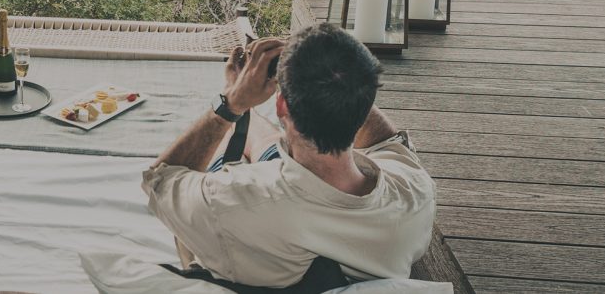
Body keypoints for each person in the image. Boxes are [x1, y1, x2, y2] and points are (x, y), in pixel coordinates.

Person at [142, 23, 436, 289]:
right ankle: (250, 116)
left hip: (260, 232)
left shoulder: (226, 201)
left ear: (281, 105)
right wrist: (326, 75)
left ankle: (243, 113)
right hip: (303, 213)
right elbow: (386, 139)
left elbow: (162, 179)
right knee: (265, 138)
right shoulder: (415, 190)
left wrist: (231, 103)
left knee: (222, 151)